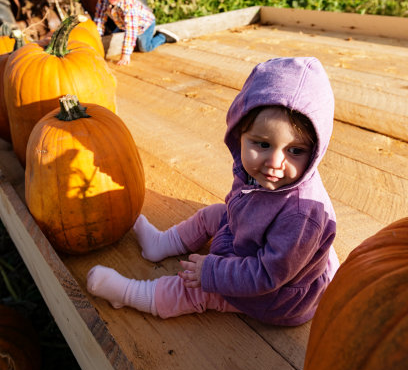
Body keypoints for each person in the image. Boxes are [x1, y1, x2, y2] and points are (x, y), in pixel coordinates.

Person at [87, 57, 339, 325]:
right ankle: (160, 244)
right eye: (262, 144)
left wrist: (212, 271)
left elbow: (267, 275)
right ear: (240, 132)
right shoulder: (267, 175)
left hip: (276, 296)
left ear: (314, 152)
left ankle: (130, 294)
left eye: (295, 151)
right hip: (255, 241)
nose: (274, 163)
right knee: (214, 214)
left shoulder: (301, 216)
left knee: (198, 289)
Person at [94, 0, 178, 66]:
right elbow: (99, 19)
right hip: (123, 23)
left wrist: (125, 54)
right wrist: (96, 39)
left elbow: (131, 31)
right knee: (115, 37)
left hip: (142, 25)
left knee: (144, 47)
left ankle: (162, 37)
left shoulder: (129, 6)